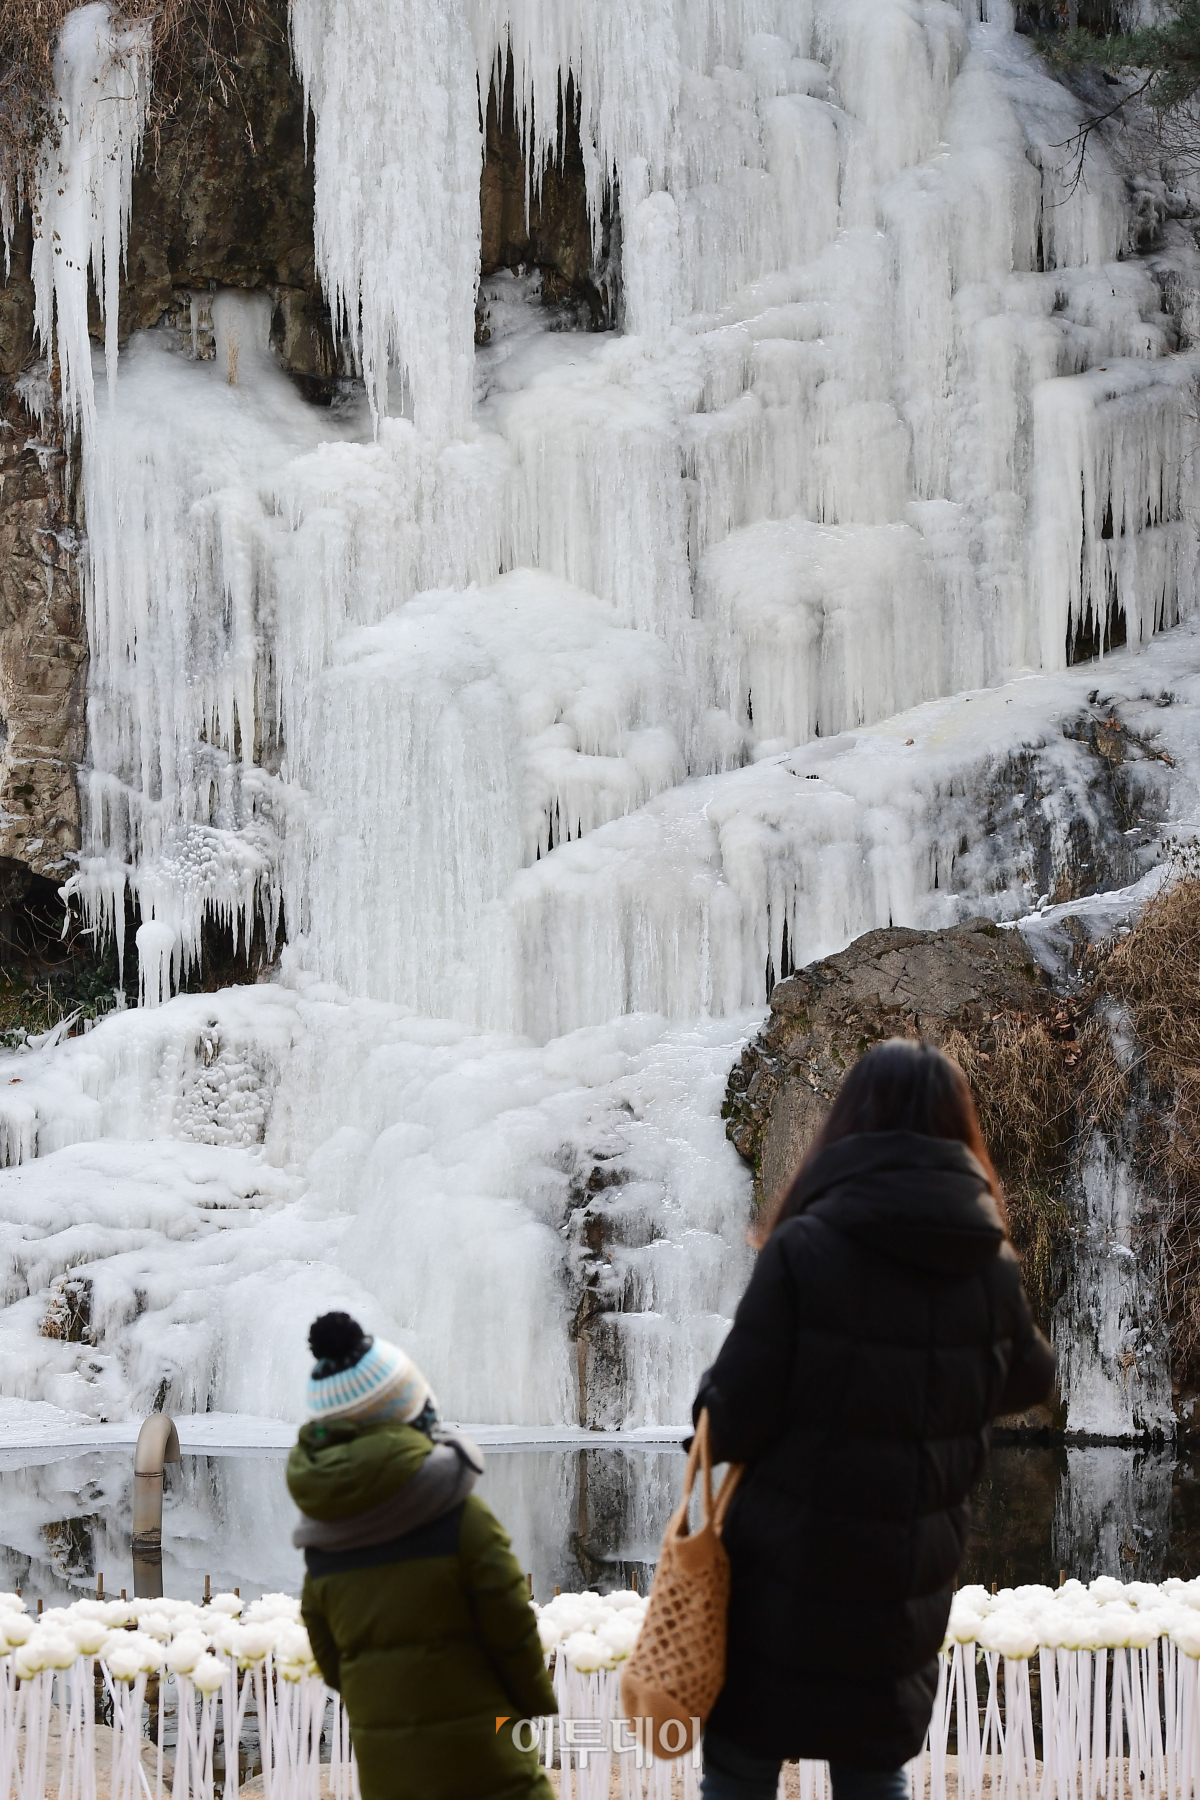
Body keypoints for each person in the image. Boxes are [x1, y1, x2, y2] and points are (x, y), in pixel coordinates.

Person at [693, 1038, 1056, 1800]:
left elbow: (727, 1422)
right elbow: (1030, 1378)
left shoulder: (805, 1247)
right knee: (872, 1767)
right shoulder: (986, 1263)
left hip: (783, 1576)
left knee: (741, 1769)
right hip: (904, 1575)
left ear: (847, 1124)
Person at [286, 1312, 556, 1800]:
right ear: (406, 1409)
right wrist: (529, 1705)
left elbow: (329, 1654)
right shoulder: (458, 1514)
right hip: (484, 1753)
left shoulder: (325, 1537)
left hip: (387, 1766)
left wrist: (386, 1698)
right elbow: (511, 1622)